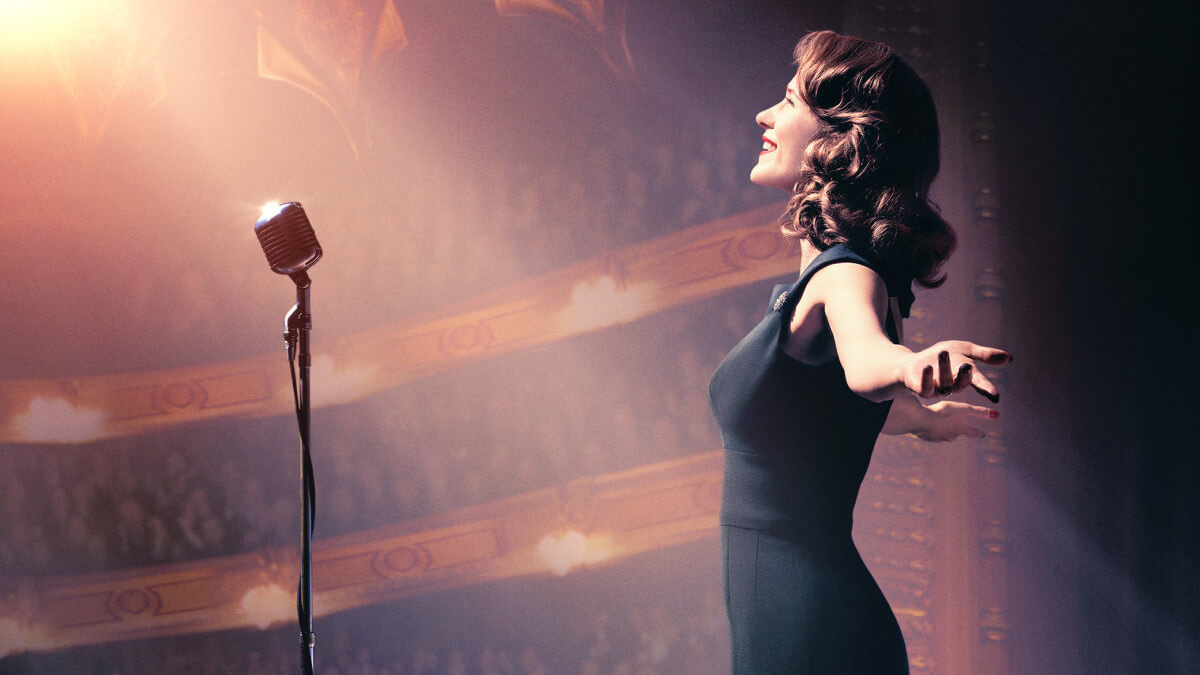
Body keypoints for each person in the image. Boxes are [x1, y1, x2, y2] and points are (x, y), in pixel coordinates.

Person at [708, 30, 1011, 673]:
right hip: (803, 609)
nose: (765, 115)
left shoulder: (845, 277)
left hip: (806, 619)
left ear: (836, 139)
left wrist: (908, 369)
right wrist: (917, 417)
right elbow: (823, 406)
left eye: (788, 102)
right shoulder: (835, 279)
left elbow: (867, 364)